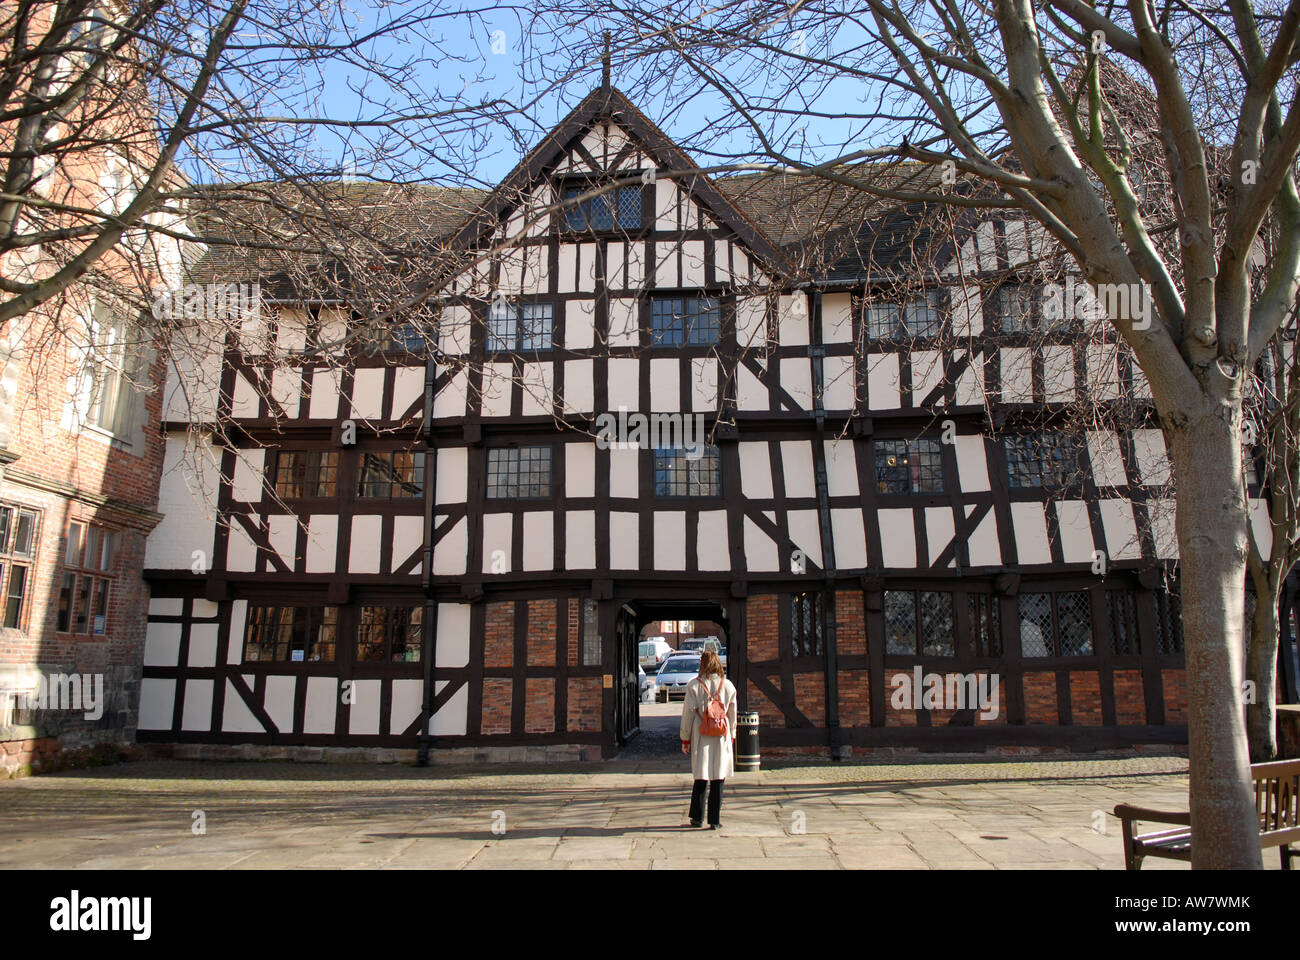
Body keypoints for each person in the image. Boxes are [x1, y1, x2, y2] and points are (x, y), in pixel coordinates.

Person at [679, 650, 736, 829]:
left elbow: (688, 713)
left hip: (700, 731)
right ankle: (715, 820)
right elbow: (733, 714)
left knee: (701, 776)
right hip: (721, 733)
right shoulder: (728, 686)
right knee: (718, 776)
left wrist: (685, 738)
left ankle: (697, 818)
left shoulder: (694, 686)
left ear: (702, 664)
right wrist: (732, 735)